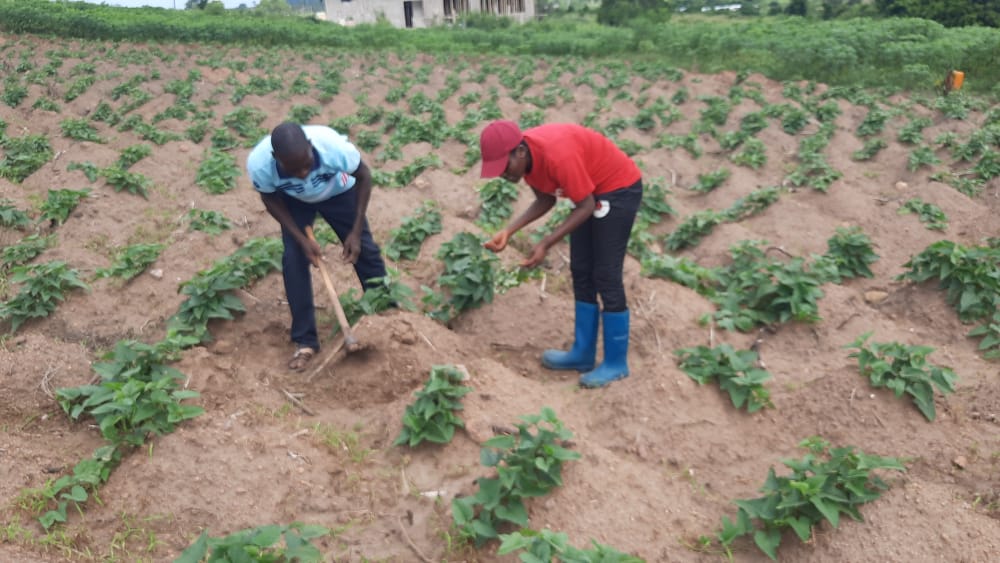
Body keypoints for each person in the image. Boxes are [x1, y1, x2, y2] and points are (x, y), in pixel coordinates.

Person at [478, 120, 643, 388]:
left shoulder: (557, 154)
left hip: (617, 188)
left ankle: (615, 363)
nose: (502, 174)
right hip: (589, 193)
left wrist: (545, 243)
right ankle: (582, 353)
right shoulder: (528, 161)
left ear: (519, 151)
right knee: (580, 269)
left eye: (503, 166)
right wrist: (509, 231)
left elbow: (586, 205)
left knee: (605, 274)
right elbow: (546, 198)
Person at [247, 122, 387, 371]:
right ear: (275, 158)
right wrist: (300, 239)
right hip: (295, 201)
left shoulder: (334, 149)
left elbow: (364, 176)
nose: (302, 173)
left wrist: (354, 231)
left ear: (311, 147)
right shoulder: (260, 165)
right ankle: (305, 340)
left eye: (306, 164)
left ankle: (387, 314)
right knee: (293, 260)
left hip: (339, 193)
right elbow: (269, 198)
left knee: (365, 249)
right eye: (293, 169)